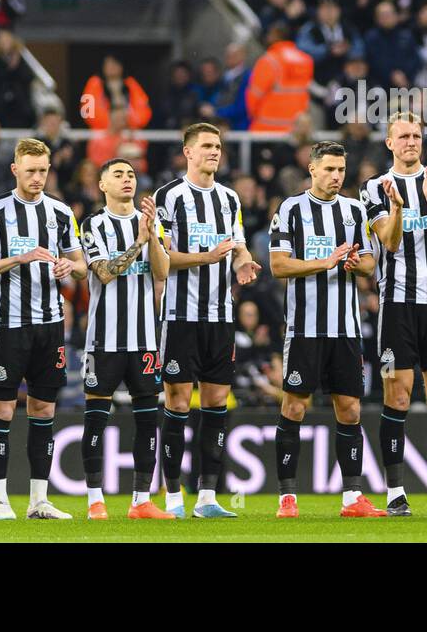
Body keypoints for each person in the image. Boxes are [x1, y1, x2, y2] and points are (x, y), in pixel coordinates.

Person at [0, 138, 86, 520]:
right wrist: (17, 257)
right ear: (15, 169)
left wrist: (71, 269)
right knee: (1, 408)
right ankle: (0, 500)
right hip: (10, 324)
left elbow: (82, 265)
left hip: (50, 326)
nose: (37, 177)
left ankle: (39, 500)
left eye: (43, 170)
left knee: (44, 408)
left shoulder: (61, 213)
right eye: (30, 170)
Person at [360, 112, 427, 516]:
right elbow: (387, 243)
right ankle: (395, 494)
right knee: (398, 396)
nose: (411, 142)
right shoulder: (374, 187)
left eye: (416, 136)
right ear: (389, 143)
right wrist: (398, 206)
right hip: (397, 309)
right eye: (403, 136)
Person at [268, 140, 382, 519]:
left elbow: (370, 262)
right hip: (305, 328)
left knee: (350, 410)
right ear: (312, 169)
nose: (336, 176)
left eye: (341, 170)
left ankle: (352, 498)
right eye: (329, 169)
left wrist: (356, 264)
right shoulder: (290, 209)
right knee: (295, 407)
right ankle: (287, 498)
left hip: (346, 330)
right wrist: (325, 262)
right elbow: (279, 266)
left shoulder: (354, 210)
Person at [153, 122, 261, 519]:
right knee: (178, 403)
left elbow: (237, 245)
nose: (214, 152)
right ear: (188, 152)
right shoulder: (169, 197)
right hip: (181, 316)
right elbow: (161, 261)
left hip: (219, 316)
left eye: (217, 146)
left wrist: (244, 261)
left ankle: (207, 497)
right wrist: (204, 257)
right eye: (206, 146)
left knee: (217, 403)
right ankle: (173, 498)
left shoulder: (230, 198)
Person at [78, 158, 170, 520]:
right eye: (118, 174)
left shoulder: (149, 223)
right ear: (102, 185)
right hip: (104, 339)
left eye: (131, 174)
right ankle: (95, 499)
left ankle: (140, 500)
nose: (127, 179)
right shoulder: (93, 225)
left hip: (145, 338)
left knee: (148, 420)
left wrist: (153, 237)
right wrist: (138, 243)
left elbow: (162, 273)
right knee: (96, 418)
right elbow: (104, 274)